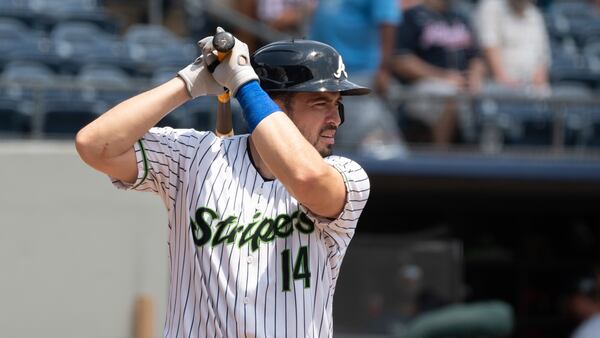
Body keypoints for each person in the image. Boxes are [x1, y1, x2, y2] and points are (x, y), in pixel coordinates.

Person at [75, 27, 371, 337]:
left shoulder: (348, 175)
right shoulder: (192, 156)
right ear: (276, 107)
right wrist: (188, 82)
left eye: (337, 103)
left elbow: (306, 178)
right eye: (320, 103)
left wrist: (244, 83)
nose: (336, 118)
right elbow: (94, 145)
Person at [308, 0, 407, 155]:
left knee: (361, 138)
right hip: (324, 73)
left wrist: (383, 69)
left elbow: (388, 22)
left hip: (360, 72)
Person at [392, 0, 485, 146]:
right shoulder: (411, 16)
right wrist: (443, 77)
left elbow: (476, 57)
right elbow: (401, 61)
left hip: (462, 84)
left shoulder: (461, 17)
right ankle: (441, 156)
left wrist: (474, 77)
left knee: (489, 99)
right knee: (451, 96)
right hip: (421, 86)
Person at [475, 0, 551, 94]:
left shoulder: (535, 14)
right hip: (499, 88)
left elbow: (542, 57)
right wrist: (505, 81)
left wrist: (538, 82)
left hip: (532, 88)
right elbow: (489, 46)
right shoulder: (491, 6)